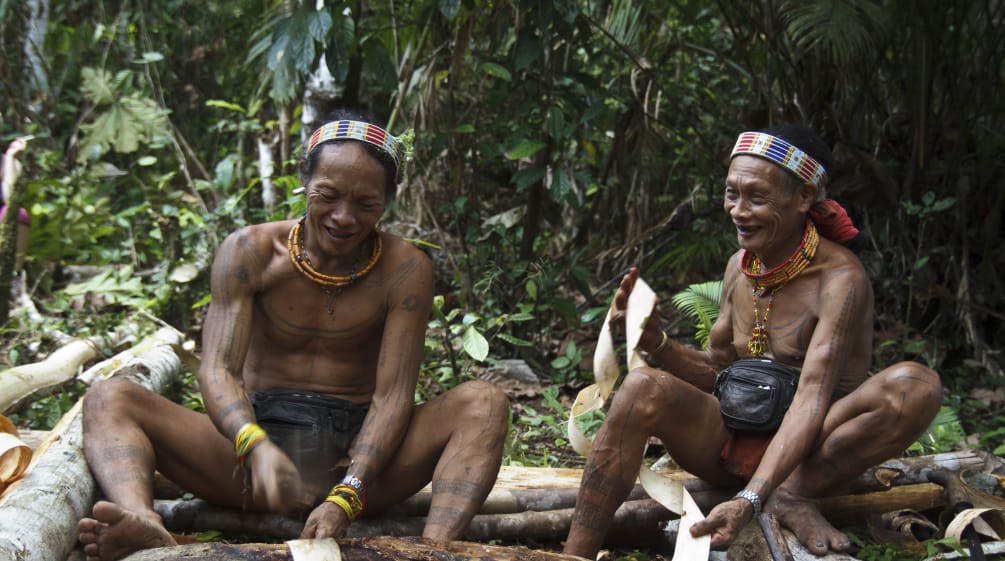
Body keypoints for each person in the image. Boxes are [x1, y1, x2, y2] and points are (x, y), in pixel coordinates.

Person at [77, 110, 510, 561]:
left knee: (485, 403)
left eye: (366, 205)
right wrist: (253, 444)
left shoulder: (406, 270)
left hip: (357, 463)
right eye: (328, 195)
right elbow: (219, 369)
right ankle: (143, 524)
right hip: (248, 463)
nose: (344, 217)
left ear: (387, 202)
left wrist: (349, 492)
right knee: (111, 398)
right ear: (304, 178)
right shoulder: (250, 252)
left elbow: (393, 398)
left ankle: (432, 551)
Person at [563, 124, 942, 558]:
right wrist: (658, 343)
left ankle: (791, 493)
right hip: (730, 445)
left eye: (757, 198)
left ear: (803, 198)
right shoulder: (737, 268)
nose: (738, 211)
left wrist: (752, 498)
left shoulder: (842, 279)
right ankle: (573, 554)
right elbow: (718, 372)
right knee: (640, 386)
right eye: (731, 194)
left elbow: (811, 398)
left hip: (811, 452)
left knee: (917, 385)